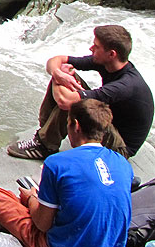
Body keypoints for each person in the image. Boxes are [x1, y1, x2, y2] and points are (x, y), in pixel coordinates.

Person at [0, 99, 132, 247]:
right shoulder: (123, 164)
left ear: (75, 125)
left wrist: (31, 198)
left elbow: (42, 224)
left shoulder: (57, 163)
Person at [8, 24, 153, 159]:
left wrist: (60, 80)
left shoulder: (125, 85)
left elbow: (65, 102)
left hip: (120, 148)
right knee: (67, 76)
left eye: (96, 46)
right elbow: (55, 60)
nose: (91, 48)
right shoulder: (106, 63)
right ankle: (43, 132)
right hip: (108, 123)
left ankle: (45, 146)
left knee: (77, 104)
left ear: (111, 54)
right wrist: (58, 74)